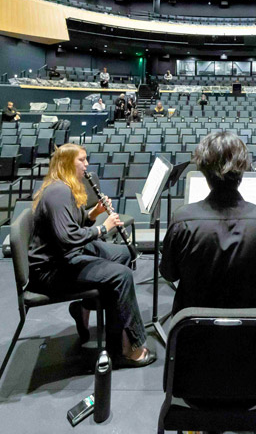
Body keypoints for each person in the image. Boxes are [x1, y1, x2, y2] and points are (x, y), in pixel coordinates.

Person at [26, 144, 155, 366]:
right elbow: (68, 237)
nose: (86, 165)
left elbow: (72, 224)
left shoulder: (65, 186)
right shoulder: (58, 192)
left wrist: (94, 214)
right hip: (51, 270)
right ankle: (127, 348)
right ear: (67, 163)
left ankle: (85, 310)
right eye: (82, 160)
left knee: (123, 254)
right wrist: (103, 228)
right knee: (121, 276)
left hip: (65, 255)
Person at [161, 132, 256, 314]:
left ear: (202, 169)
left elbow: (169, 274)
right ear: (243, 167)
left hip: (193, 329)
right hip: (252, 328)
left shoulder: (181, 220)